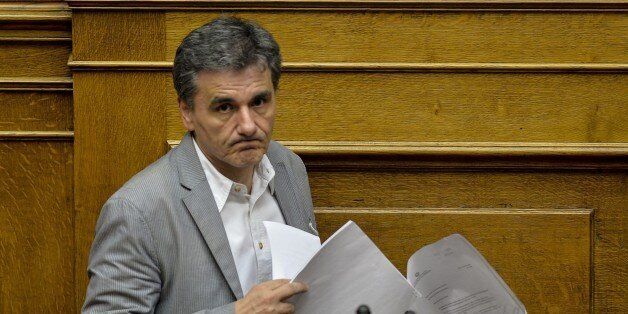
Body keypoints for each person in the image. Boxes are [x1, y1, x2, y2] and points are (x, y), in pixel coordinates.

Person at [82, 16, 317, 314]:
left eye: (259, 102)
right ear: (187, 113)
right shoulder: (137, 211)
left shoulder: (288, 168)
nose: (248, 126)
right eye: (224, 107)